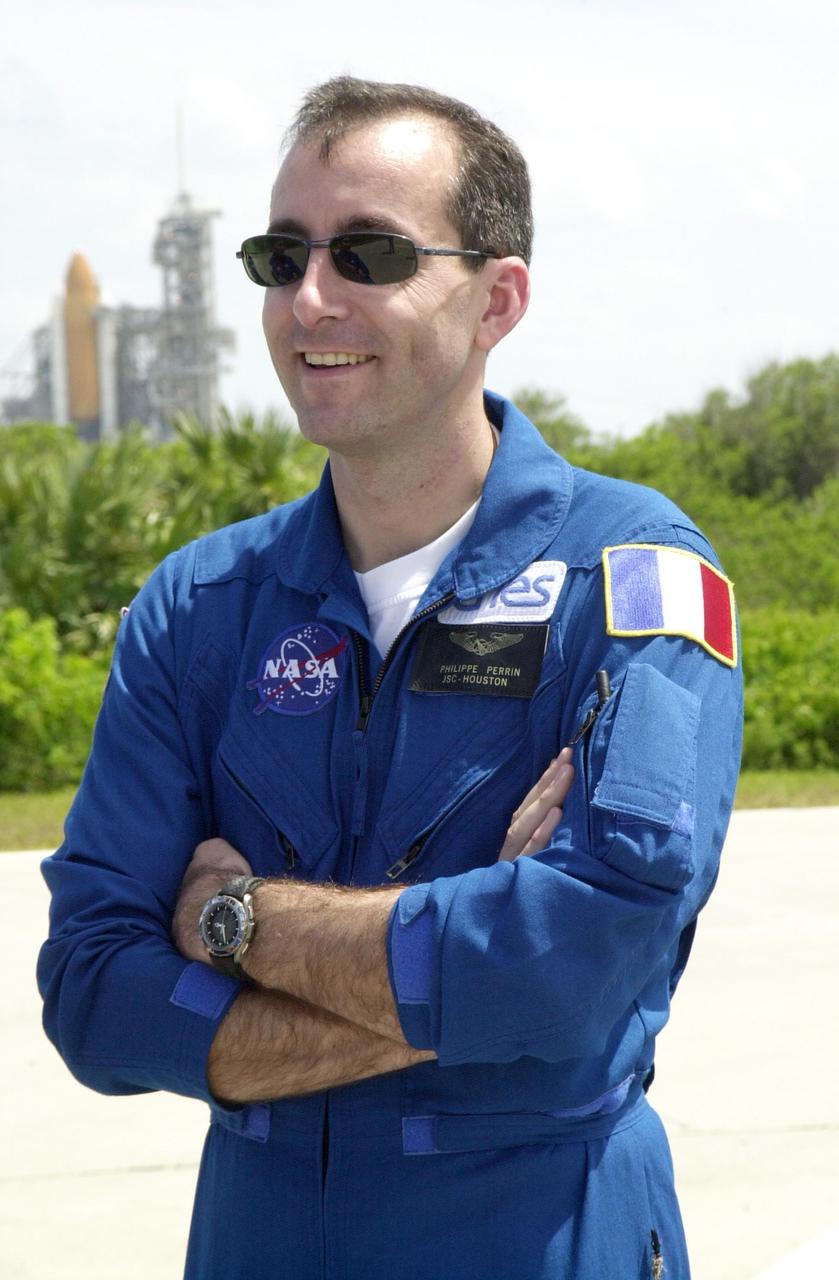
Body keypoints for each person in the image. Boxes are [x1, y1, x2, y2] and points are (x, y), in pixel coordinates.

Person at [38, 76, 743, 1280]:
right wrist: (469, 985)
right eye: (280, 255)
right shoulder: (200, 607)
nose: (309, 299)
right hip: (258, 1243)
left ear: (496, 298)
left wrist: (233, 919)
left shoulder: (635, 581)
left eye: (366, 252)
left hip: (537, 1237)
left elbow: (584, 964)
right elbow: (97, 995)